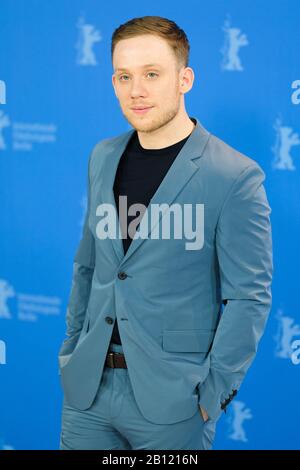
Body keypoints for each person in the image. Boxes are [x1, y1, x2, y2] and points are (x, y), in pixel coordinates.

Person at [58, 15, 273, 450]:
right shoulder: (102, 157)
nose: (136, 90)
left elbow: (249, 296)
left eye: (152, 74)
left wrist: (210, 397)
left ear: (184, 79)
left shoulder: (234, 175)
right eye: (124, 76)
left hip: (173, 404)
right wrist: (71, 349)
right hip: (87, 393)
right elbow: (89, 265)